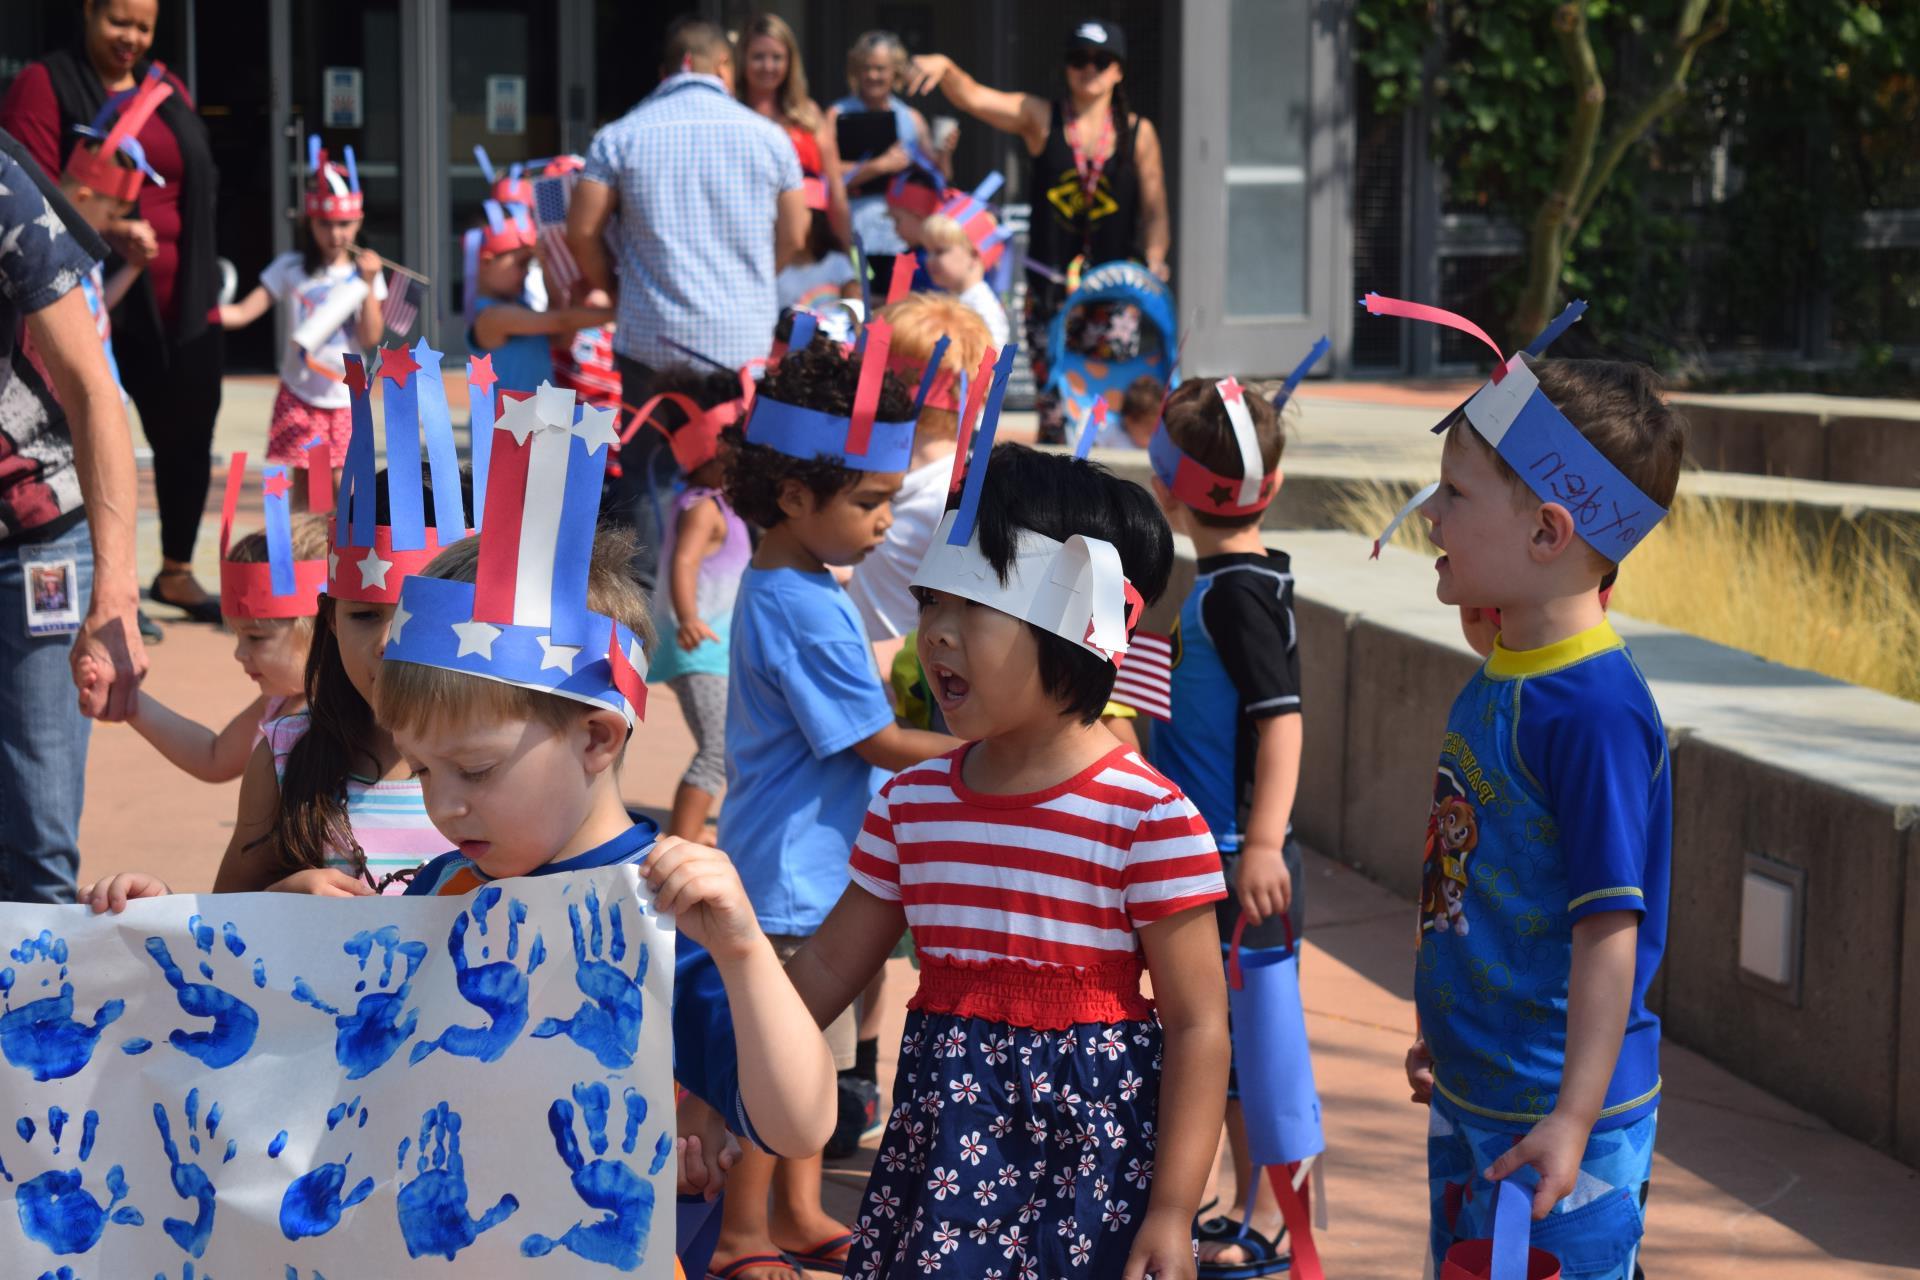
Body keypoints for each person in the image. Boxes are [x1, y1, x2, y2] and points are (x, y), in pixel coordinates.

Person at [783, 441, 1229, 1277]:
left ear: (1076, 625)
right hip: (941, 1166)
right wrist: (715, 1078)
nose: (936, 636)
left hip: (1093, 1181)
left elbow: (1200, 1024)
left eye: (973, 605)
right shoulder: (912, 805)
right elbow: (825, 970)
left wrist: (1174, 1210)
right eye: (930, 601)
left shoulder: (1147, 817)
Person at [1395, 358, 1684, 1279]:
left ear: (1548, 530)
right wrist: (1448, 1026)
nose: (1429, 515)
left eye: (1454, 492)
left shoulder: (1593, 711)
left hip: (1560, 1126)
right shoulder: (1506, 668)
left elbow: (1610, 930)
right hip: (1478, 1090)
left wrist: (1571, 1119)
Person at [711, 334, 960, 1278]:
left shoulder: (797, 580)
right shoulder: (802, 605)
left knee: (807, 1053)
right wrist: (999, 748)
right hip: (788, 873)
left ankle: (802, 1206)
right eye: (867, 503)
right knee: (780, 1059)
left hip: (810, 864)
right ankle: (744, 1227)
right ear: (792, 497)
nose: (887, 522)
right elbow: (875, 742)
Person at [1144, 377, 1307, 1273]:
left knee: (1255, 1053)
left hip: (1239, 859)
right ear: (1270, 487)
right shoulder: (1233, 579)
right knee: (1225, 1045)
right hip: (1213, 850)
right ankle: (1230, 1206)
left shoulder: (1238, 591)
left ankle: (1271, 1221)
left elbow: (1281, 717)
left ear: (1171, 489)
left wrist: (1265, 843)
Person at [3, 1, 229, 620]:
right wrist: (109, 233)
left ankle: (176, 572)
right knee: (97, 437)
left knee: (188, 436)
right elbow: (25, 194)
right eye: (118, 22)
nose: (131, 38)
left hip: (181, 303)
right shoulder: (45, 84)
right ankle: (110, 583)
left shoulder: (168, 87)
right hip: (86, 305)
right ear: (88, 12)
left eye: (144, 27)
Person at [568, 16, 807, 593]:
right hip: (743, 350)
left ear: (666, 70)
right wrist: (753, 283)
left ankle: (641, 628)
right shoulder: (769, 135)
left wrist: (619, 290)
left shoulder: (621, 135)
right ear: (724, 67)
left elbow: (581, 230)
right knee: (747, 485)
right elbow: (797, 233)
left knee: (648, 485)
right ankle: (747, 612)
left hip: (653, 341)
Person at [0, 144, 148, 904]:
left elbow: (95, 390)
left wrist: (116, 591)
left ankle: (31, 1017)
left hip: (35, 525)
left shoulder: (2, 182)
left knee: (35, 836)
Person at [907, 19, 1171, 442]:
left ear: (1118, 70)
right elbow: (976, 98)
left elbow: (1156, 208)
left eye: (1102, 61)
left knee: (1104, 407)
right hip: (1051, 287)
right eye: (1079, 59)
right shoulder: (1042, 118)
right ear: (1066, 67)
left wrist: (1156, 257)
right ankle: (1054, 504)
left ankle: (1102, 500)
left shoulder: (1138, 133)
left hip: (1114, 290)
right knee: (1055, 411)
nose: (1090, 69)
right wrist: (947, 68)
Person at [634, 365, 752, 842]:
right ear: (712, 453)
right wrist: (690, 618)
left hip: (711, 648)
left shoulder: (717, 503)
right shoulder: (703, 507)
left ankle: (690, 834)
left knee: (720, 747)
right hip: (699, 647)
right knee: (716, 750)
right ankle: (680, 842)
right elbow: (683, 564)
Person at [218, 143, 385, 469]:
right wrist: (199, 315)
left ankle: (335, 525)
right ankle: (302, 525)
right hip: (298, 392)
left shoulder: (365, 272)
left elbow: (370, 337)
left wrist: (367, 283)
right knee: (305, 490)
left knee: (342, 487)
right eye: (325, 223)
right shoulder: (290, 267)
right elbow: (243, 312)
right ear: (309, 221)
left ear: (358, 220)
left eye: (344, 223)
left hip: (345, 397)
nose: (335, 233)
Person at [125, 515, 326, 782]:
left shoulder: (348, 721)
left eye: (255, 637)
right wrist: (131, 703)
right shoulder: (278, 701)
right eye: (237, 636)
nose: (239, 654)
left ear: (322, 631)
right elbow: (214, 757)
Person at [846, 291, 990, 654]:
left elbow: (977, 624)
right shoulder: (884, 473)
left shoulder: (953, 500)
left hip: (906, 693)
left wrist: (882, 656)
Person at [826, 30, 955, 290]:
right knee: (862, 313)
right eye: (866, 68)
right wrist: (879, 166)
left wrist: (946, 153)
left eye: (881, 69)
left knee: (896, 312)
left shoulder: (912, 118)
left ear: (895, 71)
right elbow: (826, 176)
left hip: (901, 242)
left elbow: (940, 179)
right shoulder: (836, 114)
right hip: (853, 236)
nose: (873, 76)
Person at [468, 200, 612, 394]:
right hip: (500, 424)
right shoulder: (491, 317)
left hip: (533, 423)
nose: (527, 272)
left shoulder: (518, 307)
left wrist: (546, 265)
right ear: (486, 262)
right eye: (522, 263)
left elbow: (561, 338)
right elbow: (561, 321)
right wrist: (618, 312)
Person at [738, 11, 852, 248]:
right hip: (750, 243)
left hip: (810, 251)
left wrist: (848, 250)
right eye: (758, 57)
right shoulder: (731, 111)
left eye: (777, 57)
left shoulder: (807, 113)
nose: (768, 66)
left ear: (790, 62)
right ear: (743, 60)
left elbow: (836, 190)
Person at [919, 210, 1011, 347]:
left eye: (939, 251)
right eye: (928, 251)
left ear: (974, 255)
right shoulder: (956, 299)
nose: (928, 260)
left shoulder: (983, 309)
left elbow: (991, 362)